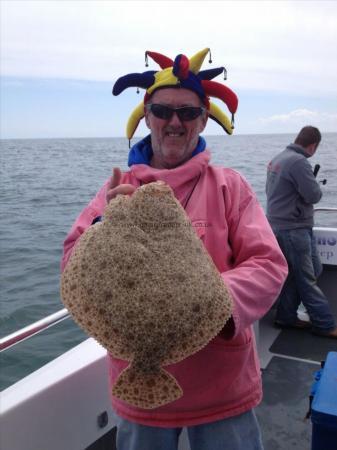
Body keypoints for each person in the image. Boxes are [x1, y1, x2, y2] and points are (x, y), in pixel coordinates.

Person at [61, 48, 288, 450]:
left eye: (187, 112)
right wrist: (103, 227)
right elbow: (71, 264)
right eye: (163, 111)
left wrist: (213, 303)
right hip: (138, 392)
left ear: (203, 119)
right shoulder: (116, 190)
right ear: (147, 116)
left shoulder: (229, 186)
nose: (174, 121)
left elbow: (268, 265)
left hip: (223, 389)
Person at [265, 125, 337, 339]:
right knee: (307, 278)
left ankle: (286, 316)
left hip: (278, 226)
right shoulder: (299, 162)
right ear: (313, 145)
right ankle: (324, 325)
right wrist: (315, 185)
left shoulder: (278, 158)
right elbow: (314, 195)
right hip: (294, 230)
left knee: (312, 269)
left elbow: (273, 192)